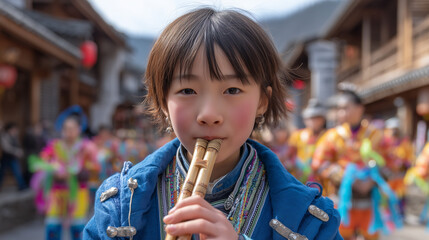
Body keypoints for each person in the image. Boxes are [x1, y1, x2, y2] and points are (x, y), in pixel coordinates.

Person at [84, 8, 341, 240]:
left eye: (231, 89)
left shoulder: (309, 220)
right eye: (187, 90)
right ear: (163, 101)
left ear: (262, 101)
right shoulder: (120, 208)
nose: (209, 114)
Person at [312, 90, 401, 240]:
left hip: (370, 201)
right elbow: (319, 163)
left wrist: (372, 179)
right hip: (341, 199)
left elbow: (393, 163)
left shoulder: (377, 135)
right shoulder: (332, 136)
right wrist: (347, 178)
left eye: (345, 107)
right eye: (339, 109)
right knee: (339, 236)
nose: (341, 112)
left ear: (360, 108)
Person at [30, 107, 99, 240]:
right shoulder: (54, 146)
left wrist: (78, 172)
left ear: (79, 129)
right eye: (66, 128)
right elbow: (42, 162)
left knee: (77, 228)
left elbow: (95, 168)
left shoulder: (87, 148)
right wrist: (52, 170)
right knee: (52, 226)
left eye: (72, 128)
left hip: (78, 193)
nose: (69, 132)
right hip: (56, 193)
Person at [381, 117, 414, 217]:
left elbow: (409, 159)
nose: (394, 132)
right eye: (391, 129)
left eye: (396, 129)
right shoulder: (384, 143)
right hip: (387, 175)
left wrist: (403, 166)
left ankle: (400, 214)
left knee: (400, 195)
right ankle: (387, 214)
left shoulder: (405, 143)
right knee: (386, 195)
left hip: (399, 175)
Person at [288, 98, 327, 183]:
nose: (313, 121)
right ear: (305, 120)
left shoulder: (329, 136)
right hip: (300, 178)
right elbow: (289, 155)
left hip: (322, 180)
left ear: (323, 120)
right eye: (311, 118)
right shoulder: (297, 135)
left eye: (317, 118)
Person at [0, 122, 27, 190]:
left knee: (17, 171)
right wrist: (16, 151)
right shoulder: (5, 136)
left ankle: (22, 186)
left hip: (13, 157)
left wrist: (19, 151)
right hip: (6, 157)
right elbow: (6, 147)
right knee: (2, 173)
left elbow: (18, 145)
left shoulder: (15, 136)